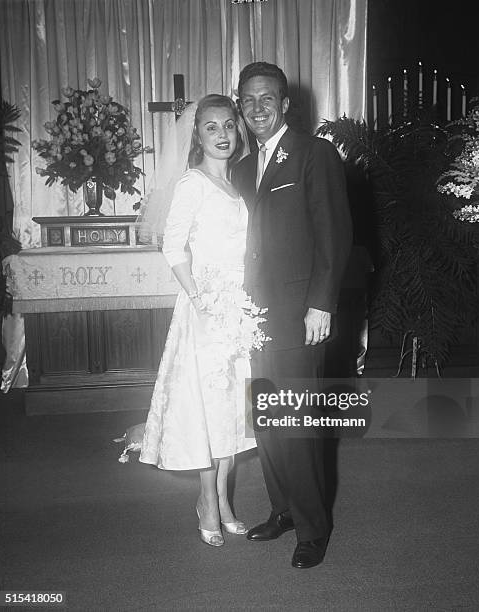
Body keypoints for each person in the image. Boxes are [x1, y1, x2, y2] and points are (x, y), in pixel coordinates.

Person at [232, 62, 352, 568]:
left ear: (285, 104)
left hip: (300, 314)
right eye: (248, 100)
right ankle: (282, 509)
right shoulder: (241, 167)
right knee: (268, 420)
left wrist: (322, 302)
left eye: (267, 99)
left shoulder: (314, 153)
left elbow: (335, 232)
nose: (256, 108)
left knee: (298, 421)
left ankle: (313, 528)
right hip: (252, 316)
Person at [139, 94, 256, 548]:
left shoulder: (240, 184)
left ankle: (226, 499)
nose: (223, 134)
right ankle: (207, 500)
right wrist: (201, 298)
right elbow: (173, 248)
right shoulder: (193, 183)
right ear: (198, 134)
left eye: (229, 125)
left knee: (233, 405)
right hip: (207, 308)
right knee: (207, 407)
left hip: (242, 310)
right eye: (212, 127)